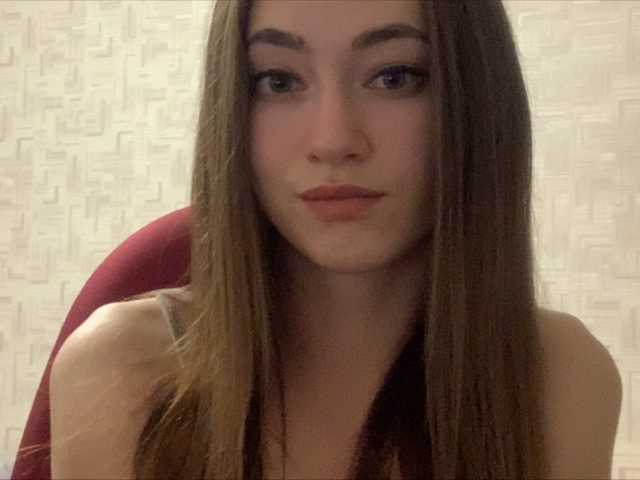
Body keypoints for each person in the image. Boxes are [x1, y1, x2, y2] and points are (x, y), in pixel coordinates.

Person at [47, 1, 623, 479]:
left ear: (477, 100)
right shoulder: (119, 374)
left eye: (395, 77)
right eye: (278, 81)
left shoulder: (560, 378)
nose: (332, 140)